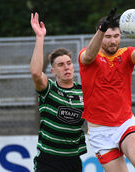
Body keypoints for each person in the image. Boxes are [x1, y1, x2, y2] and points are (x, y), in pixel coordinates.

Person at [78, 8, 135, 172]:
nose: (113, 41)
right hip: (100, 132)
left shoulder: (127, 54)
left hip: (125, 123)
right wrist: (101, 31)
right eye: (108, 37)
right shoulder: (87, 55)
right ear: (100, 35)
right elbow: (89, 56)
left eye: (116, 36)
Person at [30, 12, 87, 172]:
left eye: (69, 63)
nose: (66, 67)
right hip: (48, 159)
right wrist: (40, 37)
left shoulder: (84, 93)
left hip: (72, 160)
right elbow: (35, 73)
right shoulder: (49, 89)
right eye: (61, 65)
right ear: (53, 71)